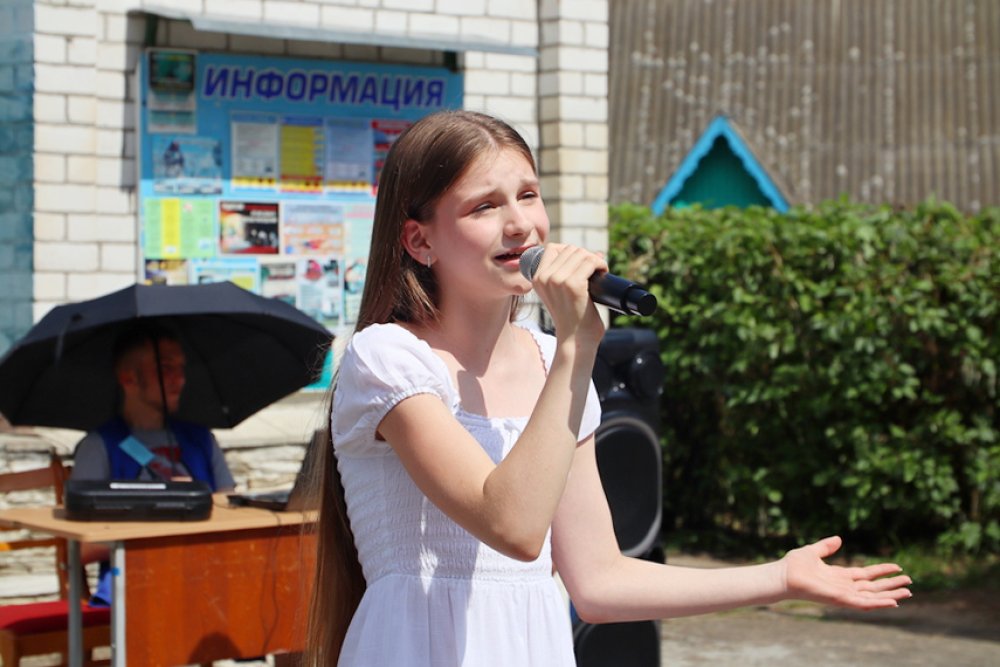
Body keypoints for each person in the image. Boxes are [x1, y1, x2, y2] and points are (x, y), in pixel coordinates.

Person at [304, 110, 912, 666]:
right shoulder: (389, 359)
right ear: (420, 240)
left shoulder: (551, 360)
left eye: (528, 195)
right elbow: (512, 526)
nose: (520, 225)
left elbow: (598, 582)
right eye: (484, 207)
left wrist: (778, 578)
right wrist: (577, 346)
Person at [71, 324, 235, 604]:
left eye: (181, 368)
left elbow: (233, 512)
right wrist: (165, 508)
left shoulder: (201, 440)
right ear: (128, 378)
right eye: (165, 368)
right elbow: (82, 548)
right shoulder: (99, 446)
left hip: (210, 583)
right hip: (135, 593)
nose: (179, 379)